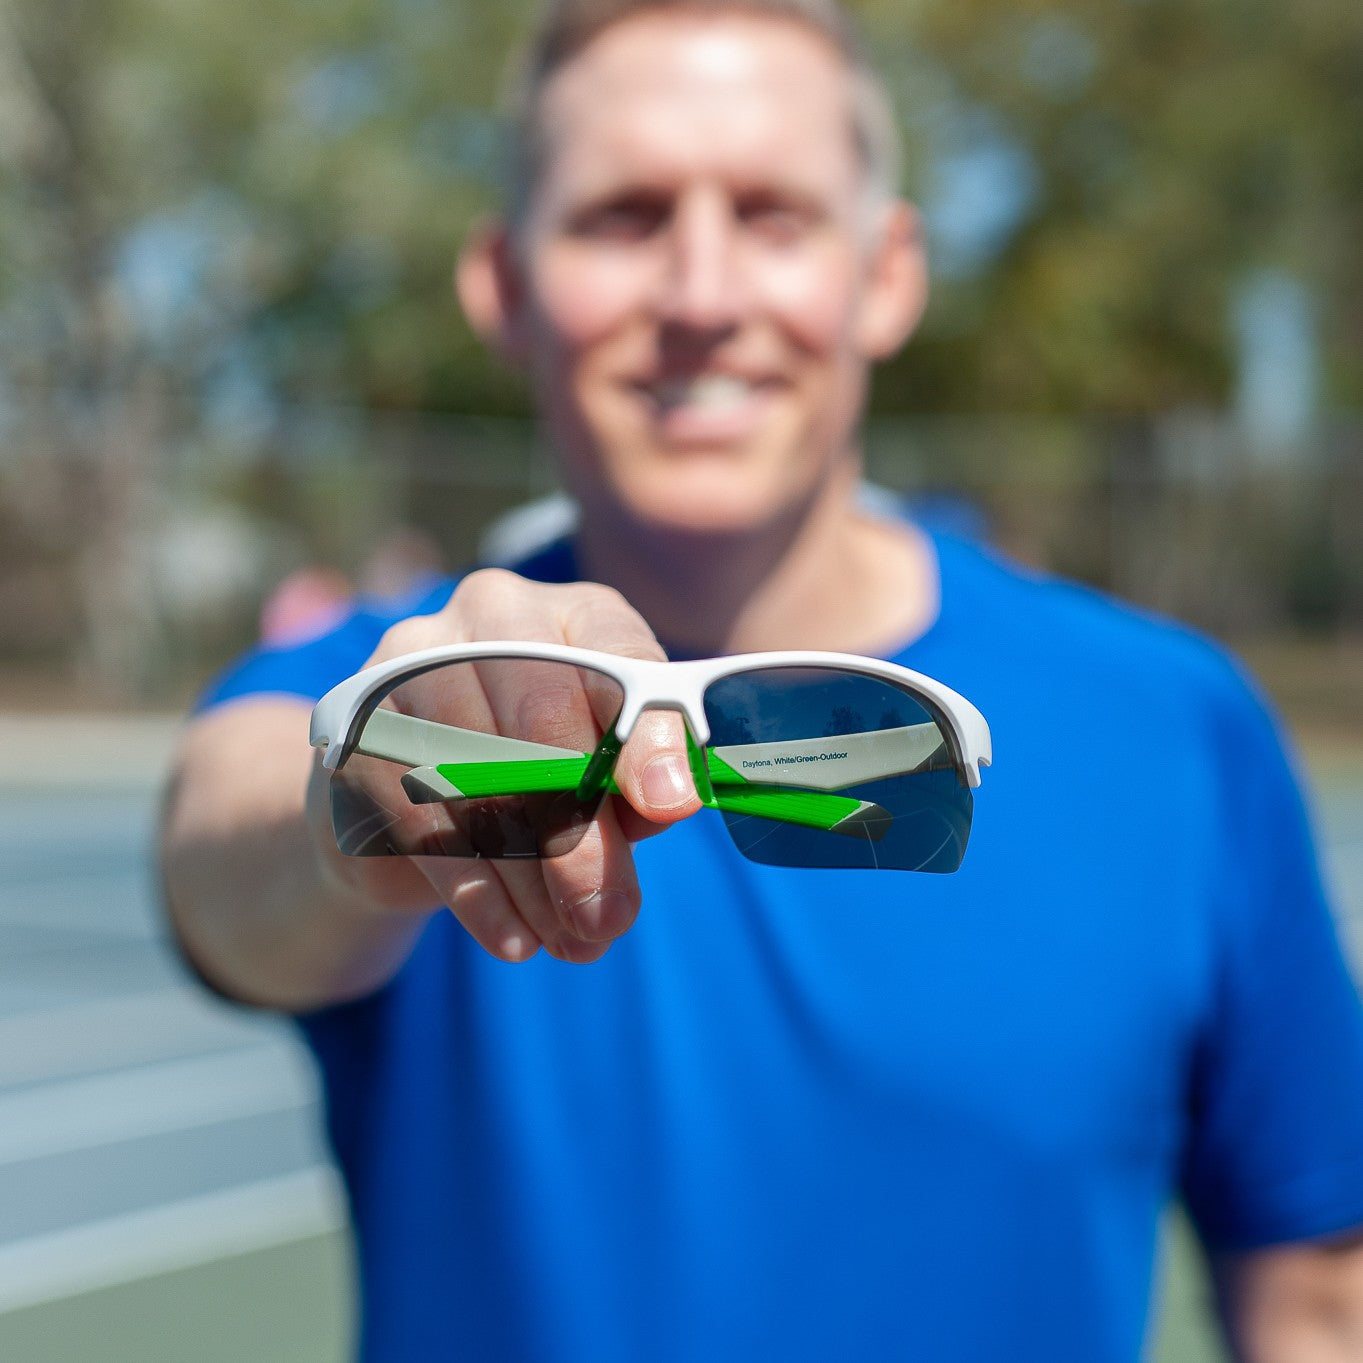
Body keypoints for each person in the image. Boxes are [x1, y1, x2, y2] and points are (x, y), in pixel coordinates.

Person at [160, 1, 1363, 1358]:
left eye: (774, 214)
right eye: (623, 216)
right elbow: (227, 851)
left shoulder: (1173, 725)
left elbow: (1317, 1288)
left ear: (889, 273)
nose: (703, 296)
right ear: (503, 283)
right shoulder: (410, 696)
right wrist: (359, 814)